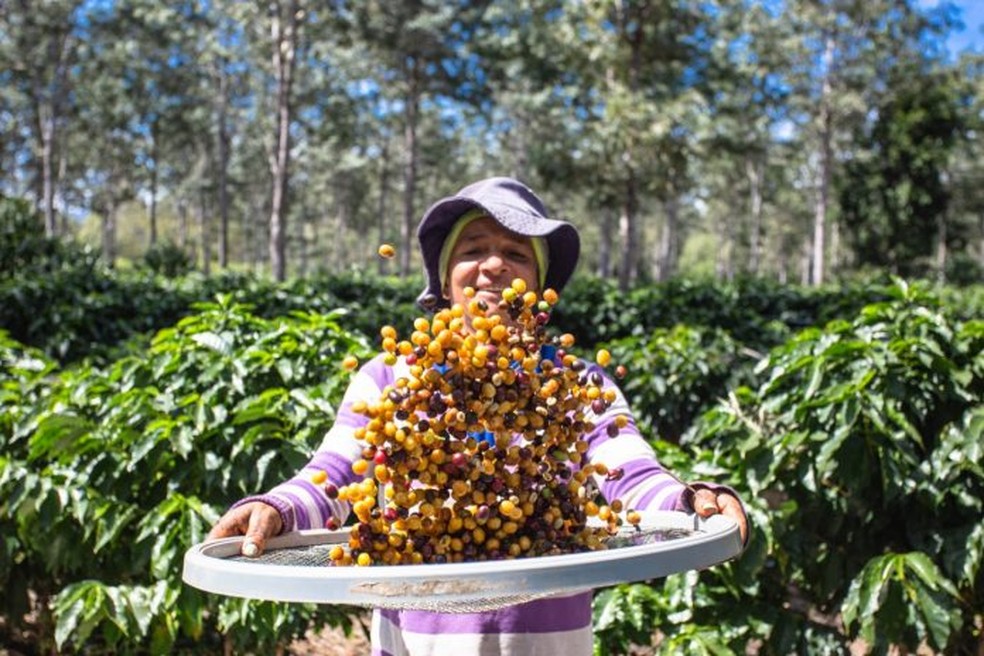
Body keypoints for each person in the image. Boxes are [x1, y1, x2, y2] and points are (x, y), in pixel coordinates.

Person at [207, 176, 748, 655]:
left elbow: (629, 473)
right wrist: (275, 509)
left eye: (516, 253)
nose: (494, 265)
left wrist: (687, 501)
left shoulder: (575, 383)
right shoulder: (392, 374)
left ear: (537, 285)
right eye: (474, 248)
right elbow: (336, 472)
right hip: (418, 637)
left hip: (546, 640)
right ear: (445, 282)